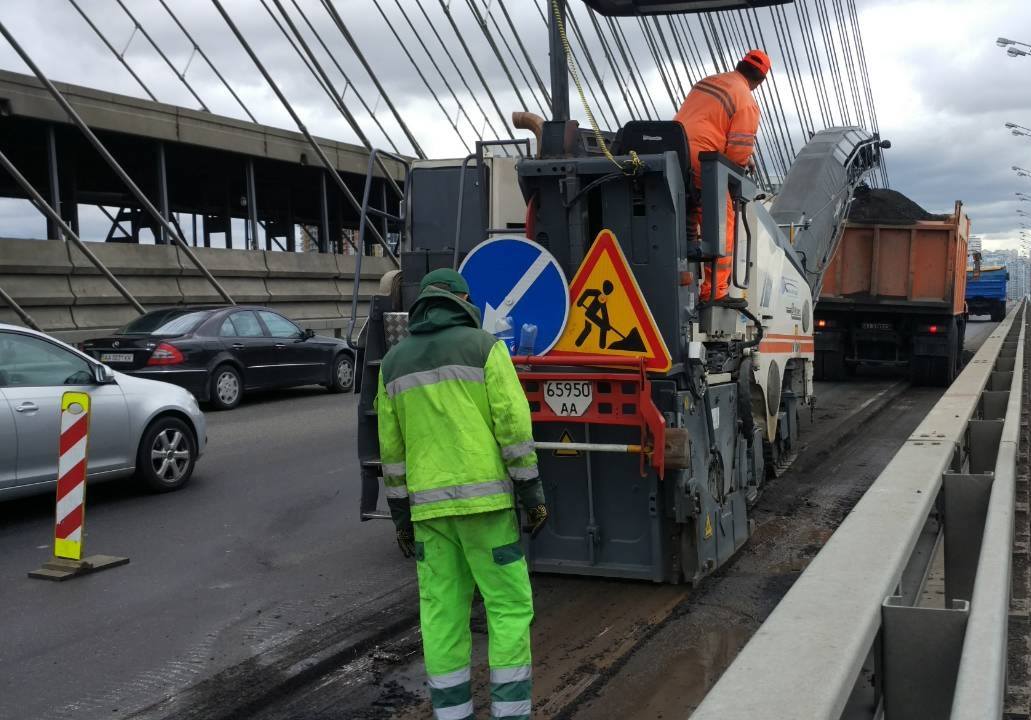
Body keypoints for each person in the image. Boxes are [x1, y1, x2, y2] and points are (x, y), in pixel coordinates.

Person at [376, 267, 548, 720]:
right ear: (463, 300)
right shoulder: (484, 348)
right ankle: (511, 714)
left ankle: (453, 715)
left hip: (430, 516)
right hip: (487, 510)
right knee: (508, 608)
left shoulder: (393, 363)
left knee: (442, 615)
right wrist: (532, 494)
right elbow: (513, 428)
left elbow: (390, 452)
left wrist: (400, 517)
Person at [674, 49, 771, 302]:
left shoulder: (707, 81)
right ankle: (715, 293)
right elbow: (737, 156)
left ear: (739, 66)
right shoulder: (747, 102)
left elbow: (703, 122)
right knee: (721, 222)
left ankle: (685, 262)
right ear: (760, 81)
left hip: (673, 151)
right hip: (703, 161)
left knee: (688, 209)